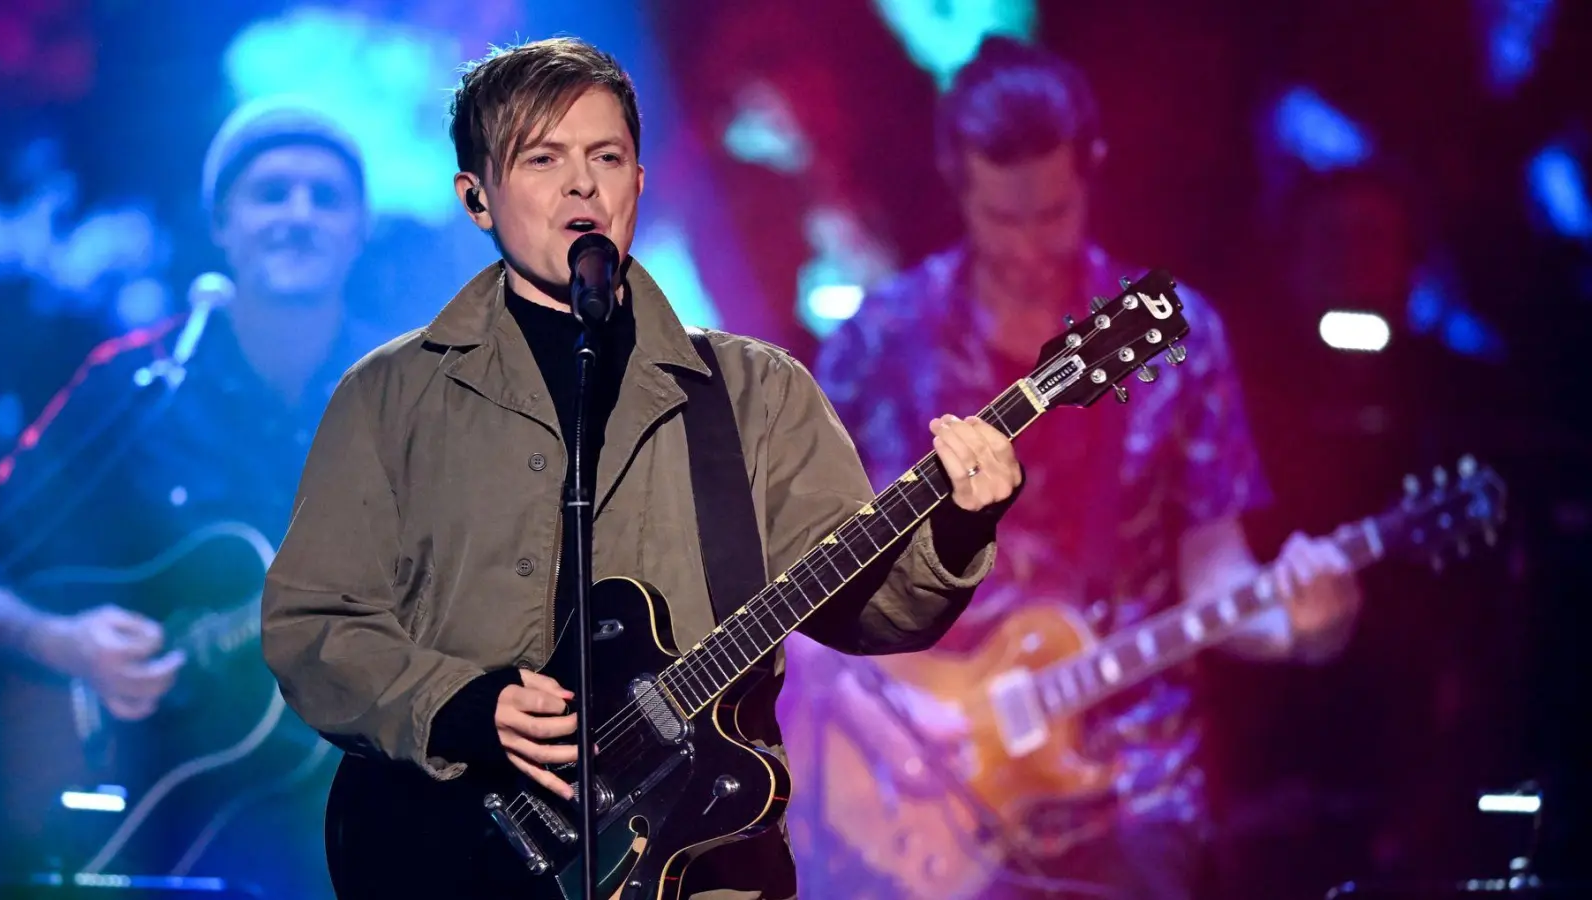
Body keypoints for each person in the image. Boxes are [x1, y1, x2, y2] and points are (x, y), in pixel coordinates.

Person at [257, 36, 1022, 900]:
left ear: (638, 185)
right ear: (477, 198)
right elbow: (312, 625)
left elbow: (869, 606)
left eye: (607, 157)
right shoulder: (391, 395)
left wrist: (959, 524)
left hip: (705, 857)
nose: (582, 184)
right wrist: (460, 704)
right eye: (543, 159)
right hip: (455, 853)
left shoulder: (755, 392)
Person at [782, 36, 1365, 900]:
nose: (1027, 247)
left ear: (1090, 172)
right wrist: (885, 713)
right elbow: (801, 589)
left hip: (1133, 785)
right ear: (957, 181)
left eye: (1051, 214)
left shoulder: (1176, 339)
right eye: (1001, 218)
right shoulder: (879, 344)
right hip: (919, 786)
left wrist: (1301, 627)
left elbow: (1216, 577)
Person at [0, 96, 373, 897]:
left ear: (358, 231)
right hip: (151, 823)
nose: (298, 215)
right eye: (271, 192)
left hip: (347, 821)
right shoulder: (135, 385)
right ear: (222, 225)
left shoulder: (412, 398)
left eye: (325, 196)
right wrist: (63, 642)